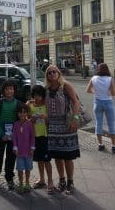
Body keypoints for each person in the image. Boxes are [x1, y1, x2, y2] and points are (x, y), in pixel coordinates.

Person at [45, 65, 80, 194]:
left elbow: (75, 102)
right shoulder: (47, 89)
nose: (52, 74)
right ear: (47, 76)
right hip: (53, 127)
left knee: (67, 156)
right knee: (57, 157)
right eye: (49, 73)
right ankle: (62, 180)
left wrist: (75, 118)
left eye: (54, 71)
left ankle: (70, 182)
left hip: (66, 125)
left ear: (58, 73)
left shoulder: (65, 86)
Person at [26, 85, 55, 194]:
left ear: (43, 96)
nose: (38, 98)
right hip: (34, 136)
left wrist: (45, 118)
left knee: (47, 160)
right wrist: (30, 119)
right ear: (33, 95)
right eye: (35, 95)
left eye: (40, 96)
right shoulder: (29, 104)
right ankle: (42, 179)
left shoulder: (46, 105)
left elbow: (51, 120)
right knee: (39, 159)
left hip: (44, 136)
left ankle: (50, 181)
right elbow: (24, 118)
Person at [86, 63, 115, 153]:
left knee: (98, 123)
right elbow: (113, 93)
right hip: (108, 102)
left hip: (97, 102)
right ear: (107, 69)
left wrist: (95, 92)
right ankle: (114, 145)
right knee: (111, 124)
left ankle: (100, 145)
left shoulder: (94, 78)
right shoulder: (110, 79)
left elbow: (87, 90)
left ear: (98, 69)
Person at [12, 103, 35, 194]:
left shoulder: (29, 124)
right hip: (19, 152)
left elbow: (32, 137)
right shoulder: (16, 124)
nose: (22, 114)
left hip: (28, 151)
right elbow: (14, 137)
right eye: (20, 112)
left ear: (27, 113)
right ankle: (21, 183)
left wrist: (32, 148)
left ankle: (27, 183)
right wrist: (15, 147)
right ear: (17, 114)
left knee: (28, 168)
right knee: (20, 169)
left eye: (24, 112)